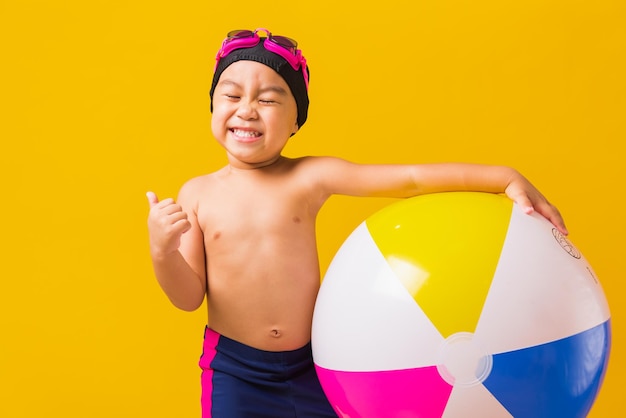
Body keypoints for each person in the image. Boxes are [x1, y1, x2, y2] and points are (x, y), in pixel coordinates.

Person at [146, 28, 567, 418]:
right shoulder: (197, 194)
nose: (248, 111)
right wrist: (162, 251)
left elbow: (410, 179)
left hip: (315, 363)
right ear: (212, 106)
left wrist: (503, 177)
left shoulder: (310, 177)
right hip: (235, 372)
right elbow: (187, 297)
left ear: (296, 121)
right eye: (232, 95)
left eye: (269, 99)